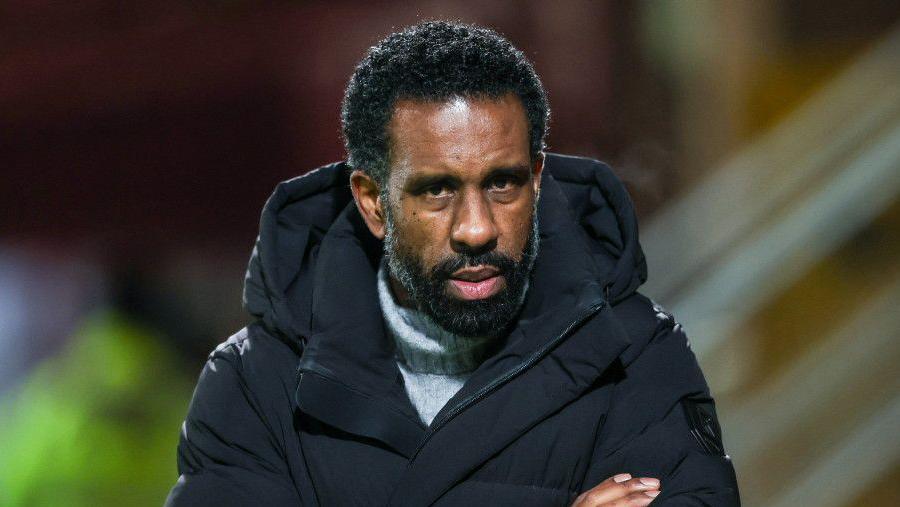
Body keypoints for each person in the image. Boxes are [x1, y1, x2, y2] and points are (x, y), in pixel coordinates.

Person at [165, 21, 740, 506]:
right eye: (437, 190)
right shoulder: (254, 384)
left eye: (503, 183)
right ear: (373, 202)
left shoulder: (638, 354)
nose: (477, 229)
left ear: (538, 180)